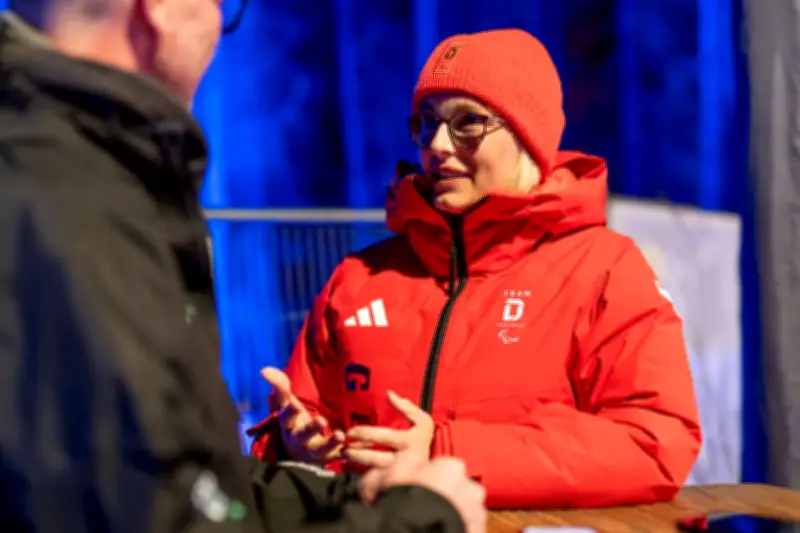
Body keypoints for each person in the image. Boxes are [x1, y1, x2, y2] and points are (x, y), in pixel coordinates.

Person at [0, 2, 485, 532]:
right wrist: (416, 520)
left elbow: (182, 480)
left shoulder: (67, 175)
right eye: (220, 5)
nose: (439, 146)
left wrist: (337, 495)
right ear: (161, 8)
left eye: (468, 124)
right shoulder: (70, 206)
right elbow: (165, 512)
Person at [249, 28, 703, 509]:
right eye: (427, 122)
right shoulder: (359, 278)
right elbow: (313, 426)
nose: (438, 144)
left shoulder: (604, 269)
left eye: (467, 122)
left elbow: (653, 443)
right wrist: (296, 445)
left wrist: (446, 454)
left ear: (527, 137)